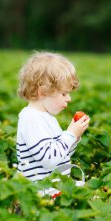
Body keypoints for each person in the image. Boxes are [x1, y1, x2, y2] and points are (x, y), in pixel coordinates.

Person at [16, 51, 90, 195]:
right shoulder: (30, 119)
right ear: (42, 92)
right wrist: (69, 134)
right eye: (64, 93)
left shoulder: (47, 117)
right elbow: (49, 159)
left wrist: (74, 137)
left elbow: (61, 155)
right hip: (39, 194)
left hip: (53, 188)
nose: (68, 99)